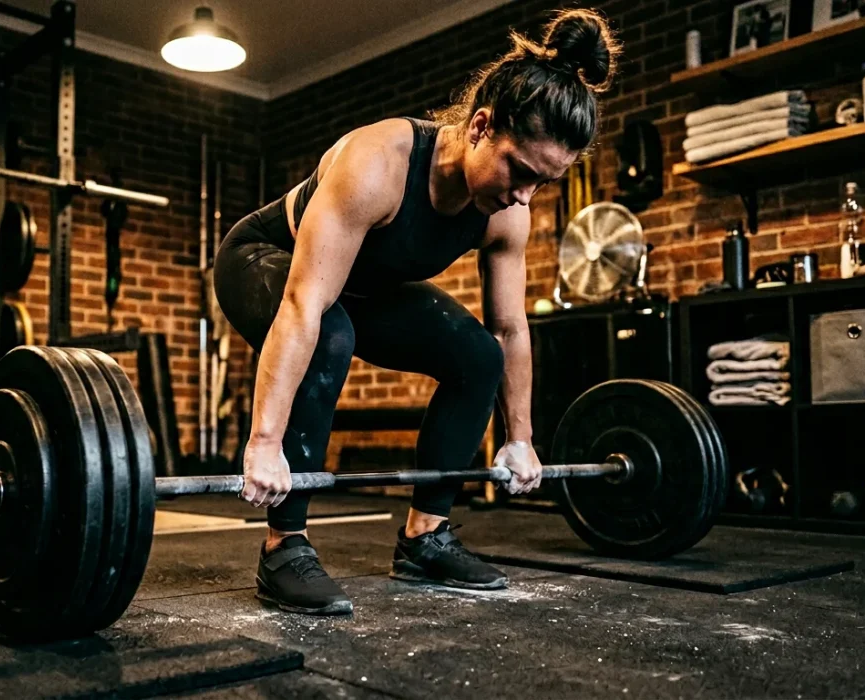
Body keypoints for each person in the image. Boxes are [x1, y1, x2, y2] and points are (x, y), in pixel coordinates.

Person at [213, 8, 621, 615]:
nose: (523, 195)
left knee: (476, 355)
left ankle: (425, 537)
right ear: (481, 125)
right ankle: (283, 548)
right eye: (520, 170)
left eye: (544, 183)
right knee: (330, 334)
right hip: (266, 258)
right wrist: (264, 441)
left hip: (360, 287)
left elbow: (509, 329)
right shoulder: (378, 163)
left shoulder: (508, 211)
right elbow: (303, 303)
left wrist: (521, 440)